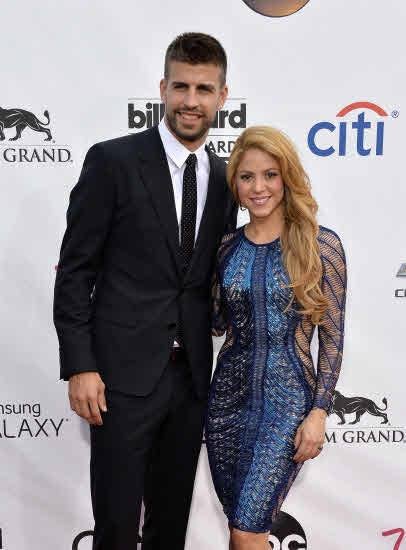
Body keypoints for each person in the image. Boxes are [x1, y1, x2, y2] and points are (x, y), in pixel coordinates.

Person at [53, 32, 236, 550]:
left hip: (192, 380)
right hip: (119, 379)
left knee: (169, 525)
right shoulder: (112, 161)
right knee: (114, 526)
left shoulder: (227, 180)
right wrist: (80, 364)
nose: (191, 101)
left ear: (224, 96)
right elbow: (75, 270)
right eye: (181, 87)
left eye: (204, 89)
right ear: (162, 88)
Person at [205, 126, 347, 550]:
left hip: (287, 406)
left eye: (270, 174)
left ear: (287, 177)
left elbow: (333, 338)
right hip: (226, 404)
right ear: (235, 186)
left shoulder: (321, 245)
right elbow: (214, 324)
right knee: (240, 529)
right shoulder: (226, 247)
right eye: (247, 177)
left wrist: (319, 411)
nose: (259, 187)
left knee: (248, 530)